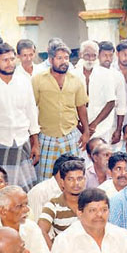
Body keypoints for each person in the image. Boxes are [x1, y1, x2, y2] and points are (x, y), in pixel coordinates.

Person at [0, 43, 41, 191]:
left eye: (12, 59)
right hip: (0, 143)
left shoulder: (24, 81)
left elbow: (32, 113)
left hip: (22, 142)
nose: (10, 63)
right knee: (3, 191)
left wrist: (35, 144)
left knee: (27, 190)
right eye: (5, 60)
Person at [31, 42, 90, 181]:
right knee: (46, 178)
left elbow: (81, 107)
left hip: (70, 135)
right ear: (51, 60)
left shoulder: (76, 80)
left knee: (73, 176)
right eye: (59, 58)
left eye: (66, 58)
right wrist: (34, 141)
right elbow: (31, 109)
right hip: (47, 136)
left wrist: (86, 132)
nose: (64, 62)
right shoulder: (38, 80)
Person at [38, 159, 86, 247]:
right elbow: (41, 230)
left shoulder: (91, 201)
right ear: (62, 182)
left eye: (79, 179)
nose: (76, 183)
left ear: (85, 180)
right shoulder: (53, 205)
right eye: (70, 179)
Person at [80, 41, 119, 144]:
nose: (90, 59)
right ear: (81, 55)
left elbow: (111, 102)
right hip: (79, 128)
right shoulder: (73, 74)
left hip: (101, 126)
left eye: (94, 56)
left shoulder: (106, 74)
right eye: (87, 55)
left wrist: (93, 124)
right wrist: (82, 127)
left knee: (101, 156)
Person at [27, 153, 78, 218]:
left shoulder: (76, 192)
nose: (77, 182)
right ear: (61, 173)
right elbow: (38, 225)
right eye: (72, 177)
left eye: (79, 178)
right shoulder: (40, 192)